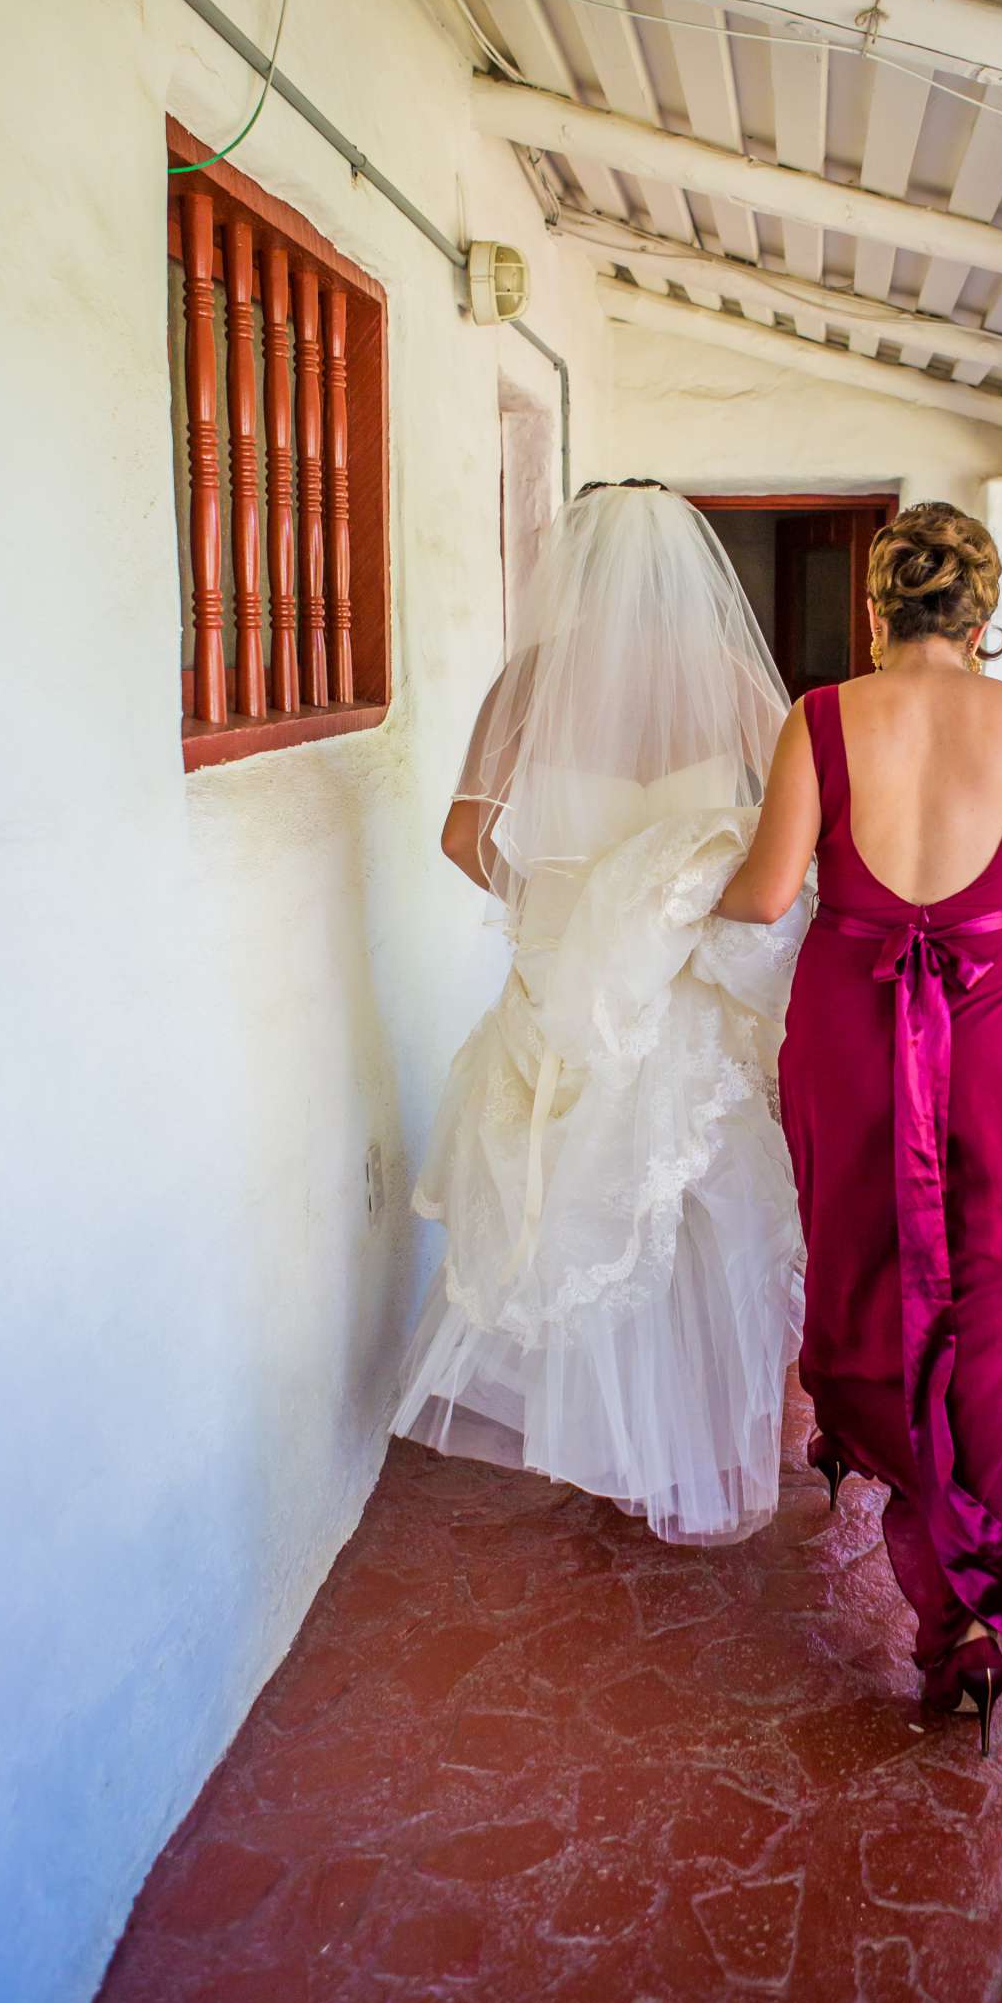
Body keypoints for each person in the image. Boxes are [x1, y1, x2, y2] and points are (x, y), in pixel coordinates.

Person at [716, 501, 1002, 1747]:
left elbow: (764, 896)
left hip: (851, 1027)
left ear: (876, 604)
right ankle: (967, 1610)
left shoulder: (821, 717)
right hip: (996, 1024)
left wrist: (687, 888)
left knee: (863, 1256)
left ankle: (869, 1441)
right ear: (982, 609)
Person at [393, 480, 810, 1545]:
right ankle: (700, 1439)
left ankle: (612, 1447)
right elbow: (806, 823)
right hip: (687, 983)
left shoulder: (532, 678)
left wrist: (560, 910)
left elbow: (461, 839)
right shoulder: (724, 678)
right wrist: (689, 895)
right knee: (695, 1207)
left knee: (581, 1201)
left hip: (567, 980)